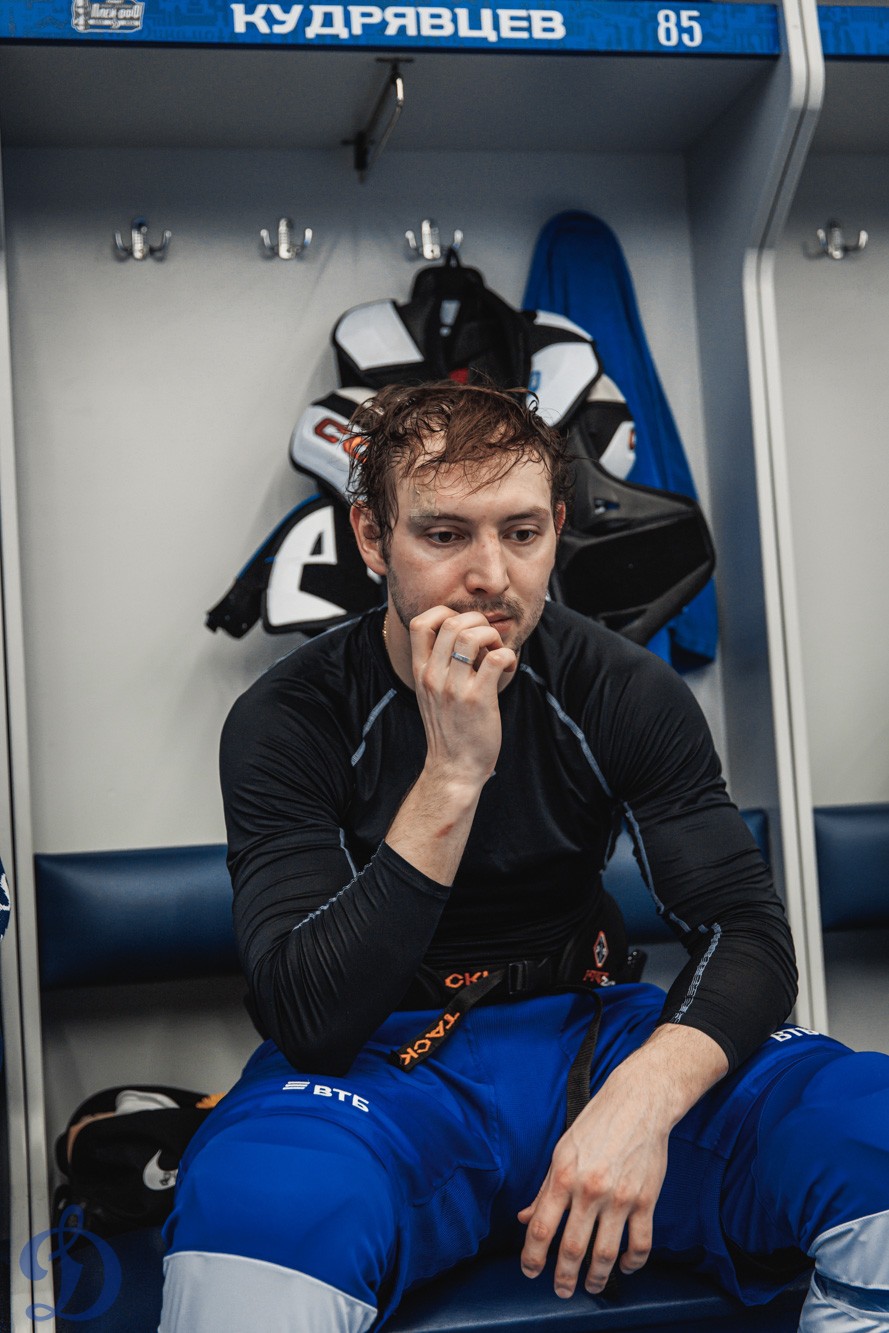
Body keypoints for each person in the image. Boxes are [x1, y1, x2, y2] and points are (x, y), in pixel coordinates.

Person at [160, 381, 889, 1332]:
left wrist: (641, 1100)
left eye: (520, 532)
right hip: (378, 1068)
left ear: (556, 531)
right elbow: (309, 1015)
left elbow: (746, 931)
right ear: (373, 537)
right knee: (257, 1210)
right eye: (444, 534)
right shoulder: (289, 715)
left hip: (591, 1035)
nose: (489, 576)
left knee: (866, 1124)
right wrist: (452, 775)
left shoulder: (621, 687)